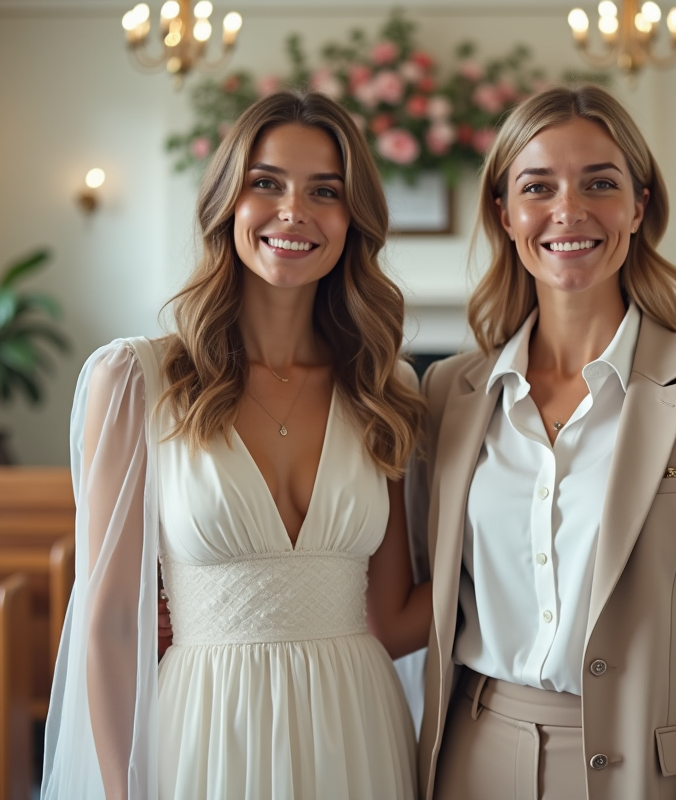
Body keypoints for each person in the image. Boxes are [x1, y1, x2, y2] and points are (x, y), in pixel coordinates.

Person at [407, 83, 676, 799]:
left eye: (600, 183)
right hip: (472, 754)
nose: (569, 210)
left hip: (645, 774)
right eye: (537, 186)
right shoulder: (449, 395)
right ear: (505, 212)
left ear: (640, 207)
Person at [42, 89, 431, 800]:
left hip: (358, 731)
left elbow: (396, 617)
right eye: (266, 184)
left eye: (325, 191)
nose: (294, 212)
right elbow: (107, 631)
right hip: (206, 730)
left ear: (354, 220)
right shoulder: (137, 380)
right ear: (227, 201)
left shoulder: (382, 385)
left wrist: (535, 563)